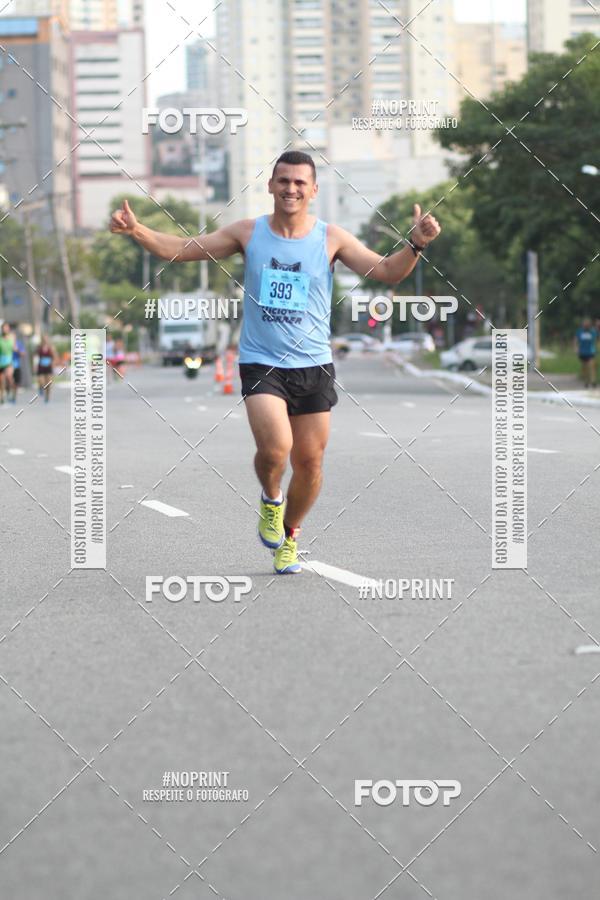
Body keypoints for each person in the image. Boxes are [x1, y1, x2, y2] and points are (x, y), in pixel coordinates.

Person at [110, 150, 441, 573]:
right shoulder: (247, 234)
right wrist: (138, 230)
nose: (291, 188)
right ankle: (270, 497)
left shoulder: (331, 238)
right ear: (270, 186)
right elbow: (181, 249)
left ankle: (290, 533)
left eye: (300, 182)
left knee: (311, 463)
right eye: (283, 181)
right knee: (276, 450)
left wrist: (416, 243)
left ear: (314, 190)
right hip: (262, 360)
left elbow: (386, 271)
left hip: (314, 365)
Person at [575, 317, 597, 388]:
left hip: (590, 352)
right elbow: (576, 340)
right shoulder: (580, 332)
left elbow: (596, 339)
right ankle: (586, 381)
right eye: (585, 325)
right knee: (585, 368)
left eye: (587, 325)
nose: (586, 326)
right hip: (582, 352)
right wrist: (576, 349)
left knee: (591, 366)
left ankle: (593, 381)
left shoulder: (592, 332)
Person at [36, 333, 56, 403]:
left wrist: (53, 364)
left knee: (49, 383)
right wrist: (34, 365)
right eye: (44, 338)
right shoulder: (39, 347)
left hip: (48, 366)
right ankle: (41, 388)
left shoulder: (51, 347)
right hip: (41, 366)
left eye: (46, 338)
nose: (45, 340)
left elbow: (54, 357)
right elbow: (36, 356)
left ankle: (47, 397)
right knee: (41, 381)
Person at [0, 322, 15, 405]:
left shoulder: (12, 337)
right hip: (1, 362)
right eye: (3, 328)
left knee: (9, 377)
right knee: (1, 381)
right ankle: (2, 397)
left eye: (6, 327)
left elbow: (14, 347)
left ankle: (11, 392)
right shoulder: (0, 338)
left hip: (9, 361)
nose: (5, 329)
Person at [11, 327, 26, 403]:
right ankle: (9, 394)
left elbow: (23, 354)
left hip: (16, 365)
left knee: (15, 383)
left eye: (13, 336)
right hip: (8, 365)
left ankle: (13, 396)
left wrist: (17, 350)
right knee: (10, 381)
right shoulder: (6, 343)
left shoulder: (18, 343)